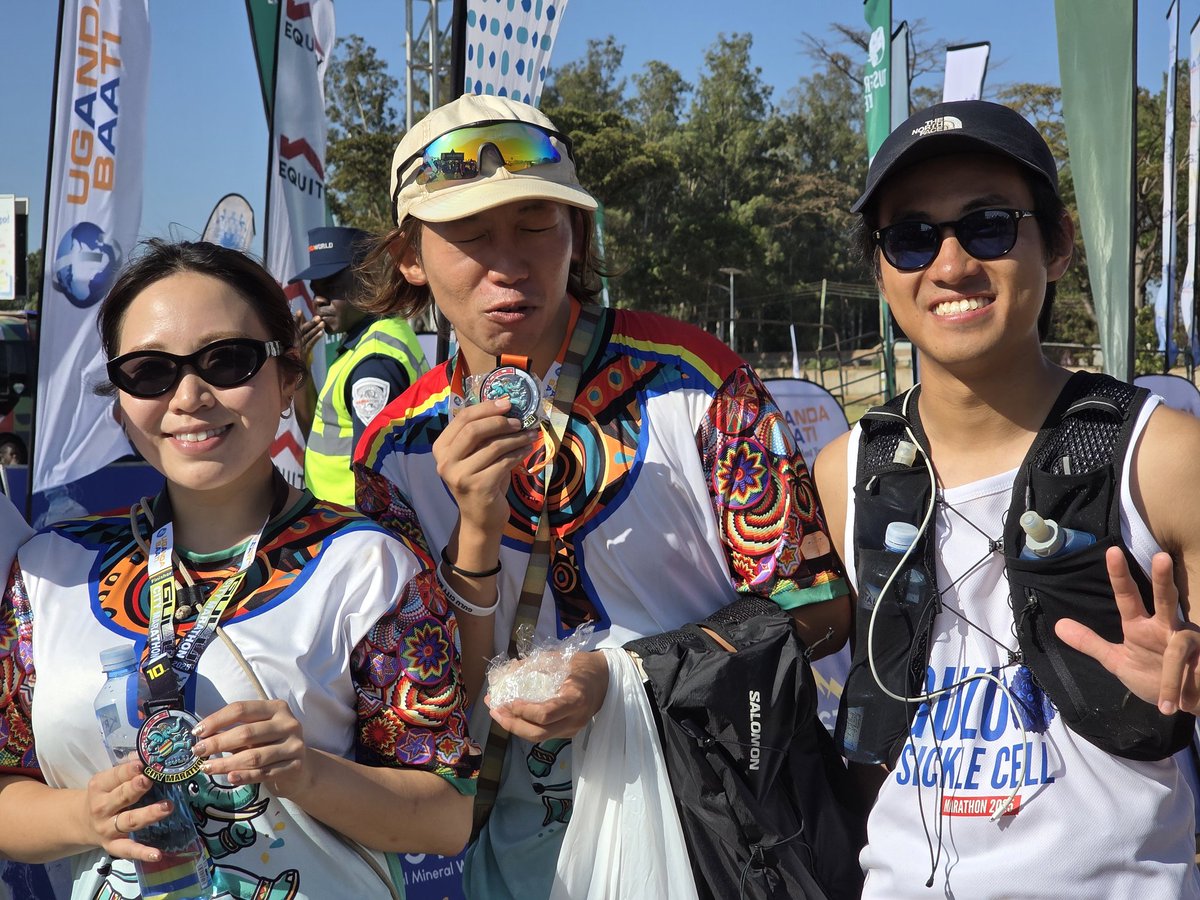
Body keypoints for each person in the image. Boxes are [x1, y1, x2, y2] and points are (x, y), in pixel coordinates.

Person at [352, 93, 850, 899]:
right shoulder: (397, 449)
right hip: (513, 848)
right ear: (411, 256)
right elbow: (420, 704)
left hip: (716, 827)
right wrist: (472, 535)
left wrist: (628, 679)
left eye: (538, 224)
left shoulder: (696, 382)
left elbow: (820, 613)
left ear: (577, 234)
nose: (507, 262)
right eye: (471, 235)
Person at [0, 240, 479, 899]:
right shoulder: (48, 573)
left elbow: (448, 816)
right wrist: (82, 815)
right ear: (117, 401)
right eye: (148, 371)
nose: (190, 396)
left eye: (227, 361)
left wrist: (307, 772)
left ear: (287, 380)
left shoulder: (369, 568)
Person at [813, 99, 1200, 897]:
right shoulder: (846, 471)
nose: (951, 266)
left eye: (988, 225)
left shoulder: (1161, 456)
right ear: (881, 270)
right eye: (912, 237)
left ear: (1056, 245)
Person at [289, 226, 427, 507]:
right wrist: (299, 367)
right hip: (338, 524)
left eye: (330, 286)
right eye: (315, 289)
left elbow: (375, 480)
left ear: (368, 281)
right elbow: (322, 431)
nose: (317, 299)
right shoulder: (363, 343)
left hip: (355, 528)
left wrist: (365, 542)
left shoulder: (373, 363)